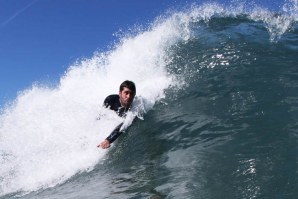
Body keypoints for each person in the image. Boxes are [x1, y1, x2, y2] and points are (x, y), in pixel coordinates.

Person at [97, 80, 136, 149]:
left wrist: (108, 140)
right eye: (126, 93)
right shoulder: (110, 100)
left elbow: (124, 124)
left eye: (132, 94)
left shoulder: (136, 107)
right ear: (120, 93)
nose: (129, 96)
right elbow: (100, 120)